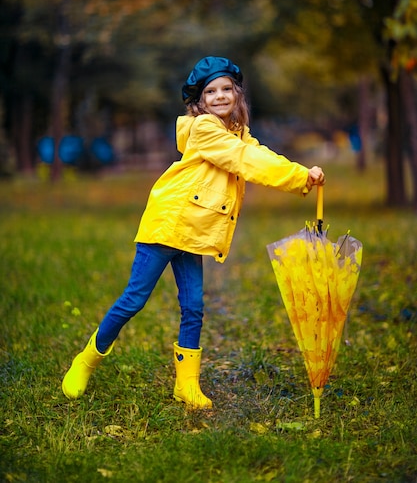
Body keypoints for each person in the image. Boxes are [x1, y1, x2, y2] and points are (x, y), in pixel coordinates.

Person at [62, 56, 325, 409]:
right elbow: (244, 160)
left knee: (194, 307)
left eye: (226, 89)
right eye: (210, 91)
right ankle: (87, 360)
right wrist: (297, 177)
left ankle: (186, 385)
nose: (219, 96)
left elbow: (257, 153)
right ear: (199, 102)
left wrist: (302, 175)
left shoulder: (238, 133)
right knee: (134, 299)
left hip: (193, 231)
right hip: (167, 224)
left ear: (237, 94)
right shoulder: (205, 130)